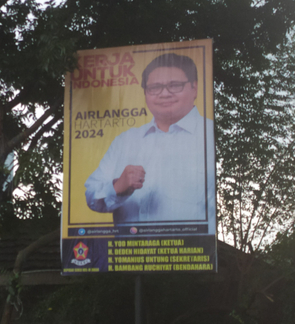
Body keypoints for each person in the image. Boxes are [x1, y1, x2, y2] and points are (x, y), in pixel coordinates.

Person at [84, 53, 215, 229]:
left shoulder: (211, 135)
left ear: (194, 88)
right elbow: (91, 195)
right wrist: (117, 187)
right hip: (127, 254)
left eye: (174, 85)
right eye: (154, 87)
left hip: (187, 254)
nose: (164, 94)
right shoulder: (125, 141)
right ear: (145, 93)